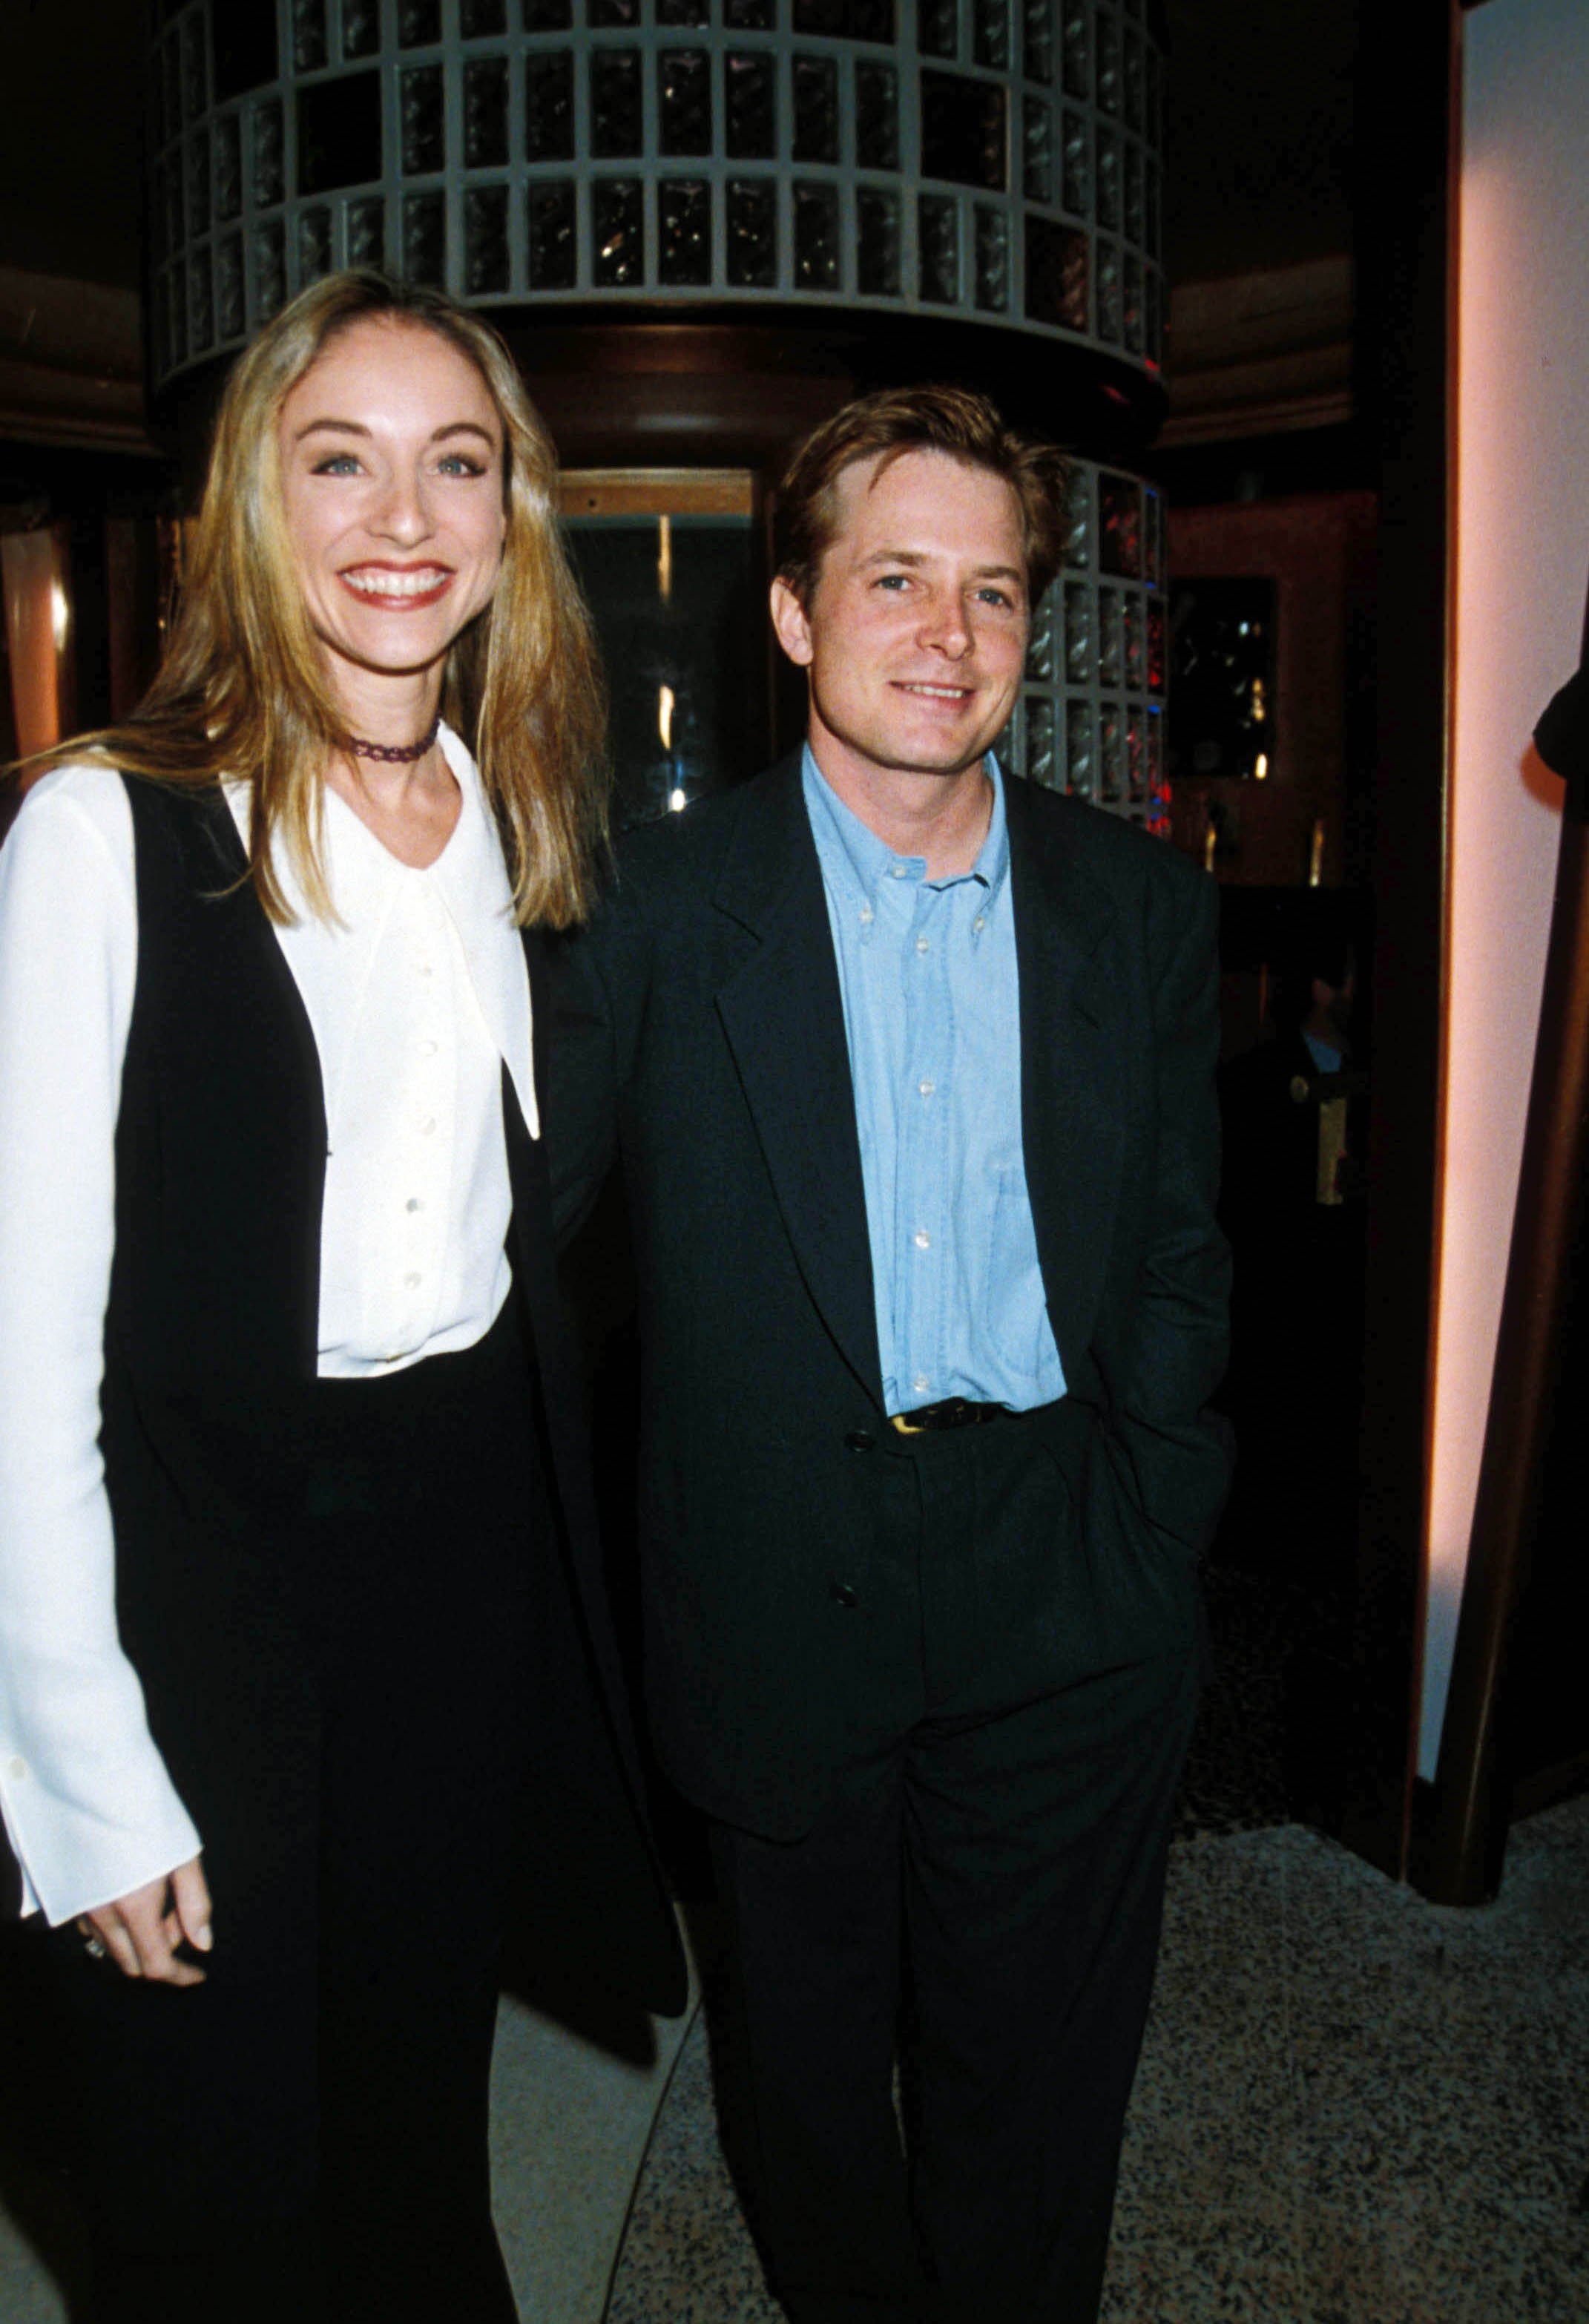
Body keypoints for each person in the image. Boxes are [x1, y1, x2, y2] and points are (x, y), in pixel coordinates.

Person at [0, 269, 682, 2324]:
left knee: (409, 2132)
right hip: (196, 1559)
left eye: (455, 462)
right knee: (206, 2173)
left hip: (448, 1554)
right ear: (253, 505)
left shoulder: (510, 817)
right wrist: (79, 1771)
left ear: (509, 517)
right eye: (342, 460)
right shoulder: (98, 830)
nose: (405, 514)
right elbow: (21, 1357)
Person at [547, 386, 1232, 2323]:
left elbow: (1183, 1248)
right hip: (777, 1575)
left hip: (1065, 1572)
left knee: (1038, 2099)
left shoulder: (1141, 908)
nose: (951, 636)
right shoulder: (657, 914)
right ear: (792, 611)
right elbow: (515, 1242)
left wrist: (1152, 1516)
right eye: (898, 579)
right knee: (810, 2090)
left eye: (995, 593)